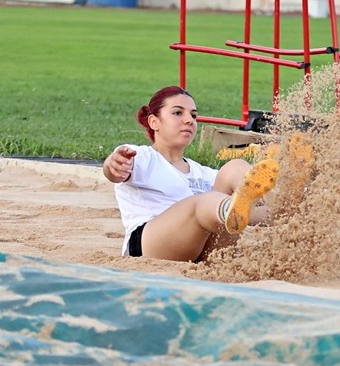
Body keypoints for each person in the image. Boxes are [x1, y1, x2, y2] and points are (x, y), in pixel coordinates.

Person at [102, 86, 280, 262]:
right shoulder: (141, 156)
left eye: (193, 115)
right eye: (178, 113)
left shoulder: (202, 172)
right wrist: (113, 166)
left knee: (234, 168)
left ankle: (278, 200)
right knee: (203, 203)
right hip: (149, 245)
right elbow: (113, 171)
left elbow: (245, 206)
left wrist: (283, 209)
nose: (189, 120)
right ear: (154, 122)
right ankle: (229, 208)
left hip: (203, 250)